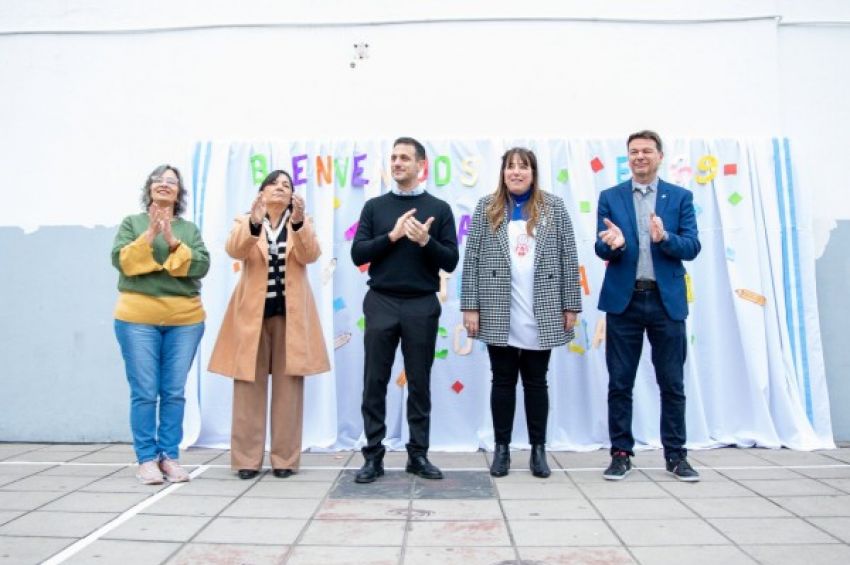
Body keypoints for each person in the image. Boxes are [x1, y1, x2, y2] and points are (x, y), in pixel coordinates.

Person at [460, 147, 581, 478]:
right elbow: (471, 261)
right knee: (501, 380)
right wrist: (470, 306)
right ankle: (502, 449)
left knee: (536, 381)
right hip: (499, 309)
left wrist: (570, 304)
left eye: (523, 167)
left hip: (541, 310)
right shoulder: (487, 207)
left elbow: (569, 257)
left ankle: (538, 449)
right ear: (502, 172)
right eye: (510, 167)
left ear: (533, 172)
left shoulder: (553, 207)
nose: (516, 172)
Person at [351, 137, 459, 483]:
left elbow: (451, 261)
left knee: (420, 382)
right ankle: (373, 456)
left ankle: (418, 455)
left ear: (420, 165)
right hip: (381, 300)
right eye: (394, 157)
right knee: (375, 381)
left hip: (421, 304)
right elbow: (358, 254)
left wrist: (426, 241)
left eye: (404, 158)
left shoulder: (439, 209)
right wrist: (393, 236)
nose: (397, 163)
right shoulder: (374, 207)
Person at [208, 170, 329, 479]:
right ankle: (247, 460)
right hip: (252, 317)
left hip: (291, 318)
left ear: (293, 196)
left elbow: (311, 255)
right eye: (274, 184)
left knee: (289, 390)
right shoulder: (246, 221)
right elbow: (235, 250)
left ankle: (285, 459)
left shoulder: (301, 223)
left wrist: (300, 223)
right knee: (248, 388)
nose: (280, 188)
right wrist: (254, 221)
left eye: (286, 185)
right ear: (261, 193)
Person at [595, 130, 701, 481]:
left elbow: (692, 247)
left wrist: (665, 238)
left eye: (646, 151)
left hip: (664, 302)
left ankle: (676, 456)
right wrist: (615, 244)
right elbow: (601, 247)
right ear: (628, 157)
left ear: (659, 156)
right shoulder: (610, 197)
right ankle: (621, 453)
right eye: (633, 152)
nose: (639, 156)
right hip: (623, 303)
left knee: (672, 383)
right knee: (619, 383)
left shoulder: (680, 197)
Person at [112, 164, 209, 485]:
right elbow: (123, 261)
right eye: (158, 180)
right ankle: (146, 460)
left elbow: (200, 265)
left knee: (173, 392)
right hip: (137, 319)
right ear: (149, 187)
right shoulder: (132, 223)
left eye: (172, 181)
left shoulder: (189, 229)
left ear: (179, 192)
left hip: (185, 321)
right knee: (144, 392)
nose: (164, 184)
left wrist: (170, 237)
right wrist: (151, 233)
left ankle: (169, 456)